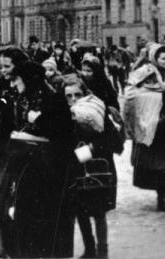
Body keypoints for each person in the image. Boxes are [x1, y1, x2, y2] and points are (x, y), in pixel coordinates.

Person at [0, 61, 76, 258]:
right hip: (27, 169)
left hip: (49, 173)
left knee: (46, 225)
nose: (14, 84)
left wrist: (37, 121)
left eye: (17, 80)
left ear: (28, 80)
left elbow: (63, 134)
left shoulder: (52, 99)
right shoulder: (24, 98)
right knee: (24, 222)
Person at [123, 43, 165, 212]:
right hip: (151, 123)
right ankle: (161, 199)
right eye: (163, 58)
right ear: (154, 58)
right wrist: (156, 97)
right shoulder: (144, 72)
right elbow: (131, 95)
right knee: (155, 164)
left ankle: (163, 199)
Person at [65, 76, 123, 259]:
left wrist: (90, 148)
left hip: (98, 168)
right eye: (68, 96)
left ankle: (102, 251)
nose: (73, 99)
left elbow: (113, 142)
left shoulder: (97, 111)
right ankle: (89, 250)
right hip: (76, 169)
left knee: (98, 212)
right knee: (80, 212)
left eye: (77, 94)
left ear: (85, 94)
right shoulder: (64, 115)